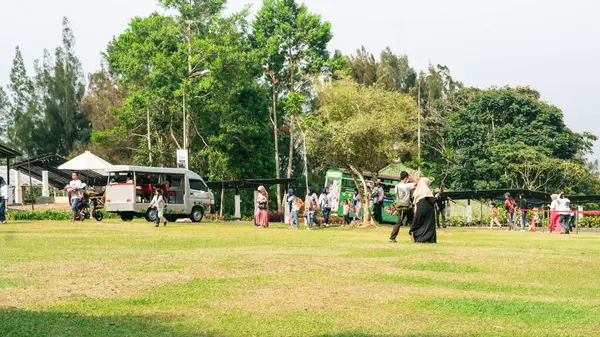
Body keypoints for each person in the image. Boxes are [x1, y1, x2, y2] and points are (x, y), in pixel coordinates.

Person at [390, 171, 417, 243]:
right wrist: (411, 175)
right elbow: (417, 182)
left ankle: (392, 237)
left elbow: (396, 194)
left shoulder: (397, 186)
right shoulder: (407, 185)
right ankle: (414, 237)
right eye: (407, 178)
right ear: (405, 178)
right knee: (412, 221)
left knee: (398, 222)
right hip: (407, 206)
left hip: (399, 206)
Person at [410, 178, 437, 243]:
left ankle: (418, 237)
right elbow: (432, 200)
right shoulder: (427, 190)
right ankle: (428, 238)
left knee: (420, 223)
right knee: (428, 224)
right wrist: (436, 196)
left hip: (419, 210)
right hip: (428, 211)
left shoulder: (418, 191)